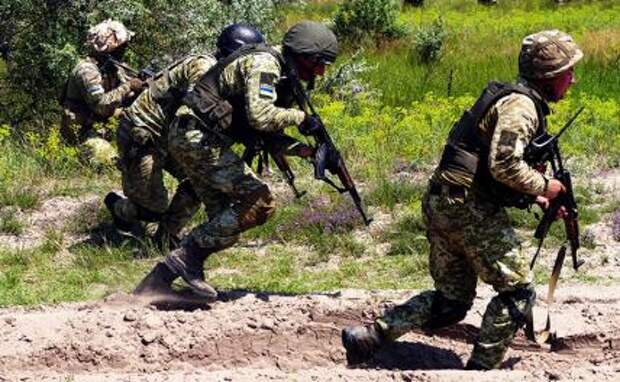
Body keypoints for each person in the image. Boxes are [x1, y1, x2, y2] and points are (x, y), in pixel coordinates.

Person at [341, 30, 582, 370]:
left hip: (444, 203)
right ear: (550, 75)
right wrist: (546, 186)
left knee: (451, 302)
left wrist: (536, 197)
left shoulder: (512, 98)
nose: (572, 80)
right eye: (568, 72)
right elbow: (505, 165)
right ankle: (481, 371)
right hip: (470, 211)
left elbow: (488, 164)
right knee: (518, 293)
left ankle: (370, 336)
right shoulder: (521, 107)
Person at [133, 20, 338, 301]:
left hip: (192, 136)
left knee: (227, 222)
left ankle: (157, 282)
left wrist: (311, 152)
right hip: (198, 137)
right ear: (305, 56)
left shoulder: (280, 71)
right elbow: (261, 116)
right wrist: (302, 119)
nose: (322, 72)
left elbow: (267, 136)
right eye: (320, 64)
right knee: (259, 202)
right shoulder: (266, 64)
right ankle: (186, 258)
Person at [104, 23, 265, 249]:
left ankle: (166, 237)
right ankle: (118, 207)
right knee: (152, 209)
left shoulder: (225, 74)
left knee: (198, 178)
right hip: (143, 134)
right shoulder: (205, 67)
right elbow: (197, 106)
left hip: (172, 136)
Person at [60, 19, 145, 167]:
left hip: (104, 127)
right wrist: (129, 86)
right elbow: (101, 105)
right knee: (112, 163)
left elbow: (125, 95)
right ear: (111, 47)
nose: (125, 49)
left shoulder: (114, 68)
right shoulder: (86, 70)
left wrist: (142, 89)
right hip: (82, 133)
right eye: (122, 46)